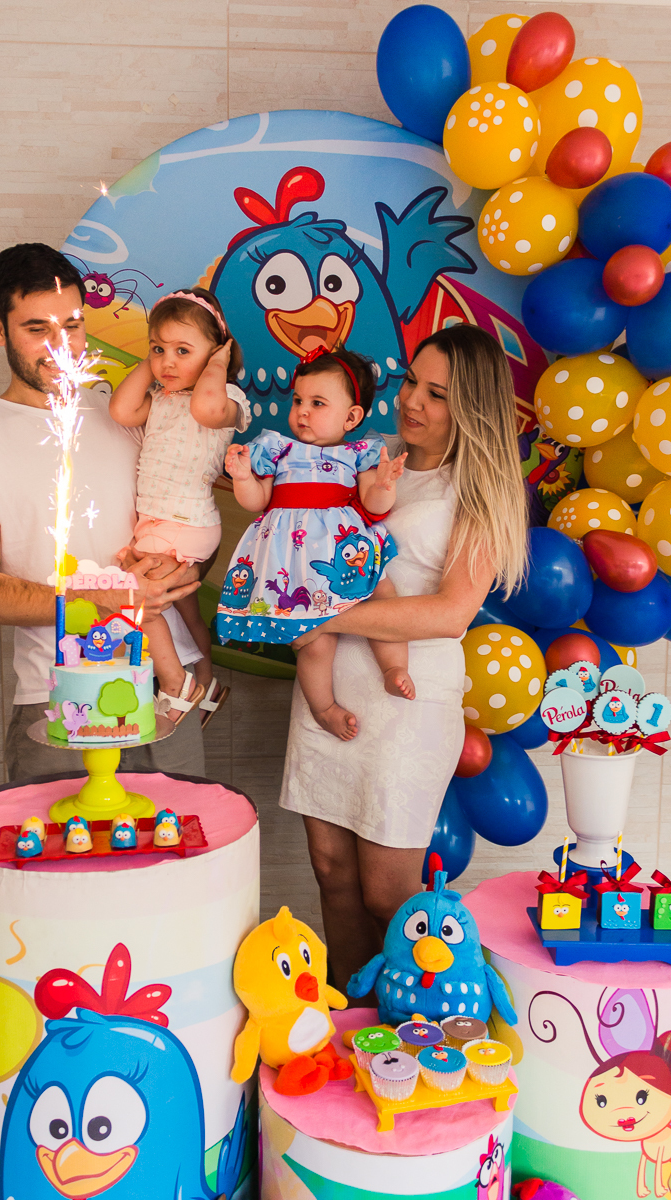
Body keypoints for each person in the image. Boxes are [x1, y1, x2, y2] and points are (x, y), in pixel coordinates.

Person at [279, 325, 529, 995]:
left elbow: (450, 612)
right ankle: (354, 1026)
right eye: (411, 381)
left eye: (436, 393)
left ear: (470, 407)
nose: (411, 400)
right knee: (330, 872)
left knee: (392, 897)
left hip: (408, 701)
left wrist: (325, 616)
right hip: (330, 686)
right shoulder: (370, 457)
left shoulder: (474, 489)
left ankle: (421, 1028)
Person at [0, 243, 207, 780]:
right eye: (37, 329)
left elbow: (188, 520)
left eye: (72, 326)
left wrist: (184, 575)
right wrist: (113, 597)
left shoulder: (127, 412)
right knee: (64, 858)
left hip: (167, 688)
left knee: (179, 855)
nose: (61, 346)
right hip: (57, 696)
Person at [217, 346, 411, 741]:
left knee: (384, 595)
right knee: (316, 642)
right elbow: (258, 502)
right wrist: (242, 478)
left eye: (318, 403)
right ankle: (323, 707)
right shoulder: (277, 449)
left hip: (346, 552)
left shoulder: (359, 454)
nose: (302, 411)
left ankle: (394, 667)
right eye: (299, 400)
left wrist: (385, 484)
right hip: (297, 561)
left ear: (351, 416)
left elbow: (375, 507)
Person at [109, 288, 248, 726]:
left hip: (185, 523)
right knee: (187, 614)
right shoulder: (163, 400)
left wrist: (219, 364)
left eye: (182, 351)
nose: (167, 362)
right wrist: (150, 363)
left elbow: (207, 409)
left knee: (134, 600)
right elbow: (120, 409)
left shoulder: (229, 400)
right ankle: (206, 682)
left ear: (214, 354)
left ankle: (176, 684)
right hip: (162, 523)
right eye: (158, 349)